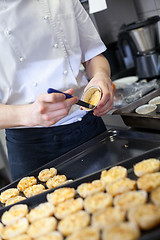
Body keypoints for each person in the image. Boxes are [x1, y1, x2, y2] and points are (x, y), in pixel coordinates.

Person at [0, 0, 114, 181]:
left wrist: (100, 76)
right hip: (32, 148)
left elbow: (93, 55)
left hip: (89, 126)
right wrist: (28, 114)